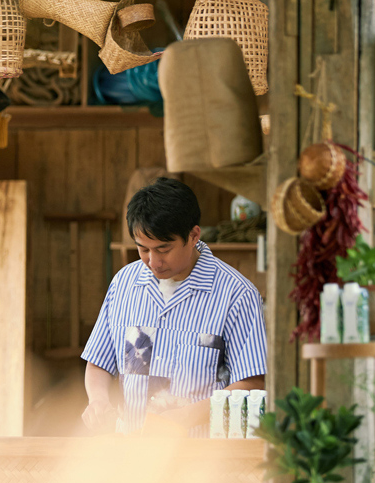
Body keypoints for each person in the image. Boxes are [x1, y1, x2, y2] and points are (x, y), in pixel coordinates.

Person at [81, 177, 266, 434]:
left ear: (193, 235)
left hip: (203, 459)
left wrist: (184, 418)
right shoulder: (124, 284)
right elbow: (99, 361)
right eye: (142, 249)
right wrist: (98, 400)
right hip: (132, 454)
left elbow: (253, 381)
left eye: (163, 249)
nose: (153, 261)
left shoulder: (236, 294)